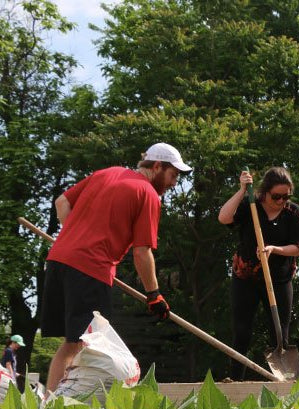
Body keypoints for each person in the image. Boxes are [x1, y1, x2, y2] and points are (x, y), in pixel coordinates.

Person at [40, 143, 192, 391]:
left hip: (58, 260)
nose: (174, 183)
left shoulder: (106, 173)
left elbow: (61, 203)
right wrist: (154, 295)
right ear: (156, 167)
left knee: (72, 344)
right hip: (90, 269)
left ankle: (49, 403)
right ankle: (61, 407)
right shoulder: (148, 194)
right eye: (173, 175)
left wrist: (75, 235)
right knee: (86, 345)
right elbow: (142, 253)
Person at [218, 167, 299, 380]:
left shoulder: (293, 213)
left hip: (279, 280)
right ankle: (236, 379)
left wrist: (274, 249)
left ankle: (283, 382)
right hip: (245, 278)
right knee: (242, 331)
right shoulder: (251, 207)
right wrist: (241, 190)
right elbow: (224, 218)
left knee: (279, 333)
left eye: (286, 196)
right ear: (264, 192)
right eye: (277, 196)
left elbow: (298, 247)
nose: (281, 201)